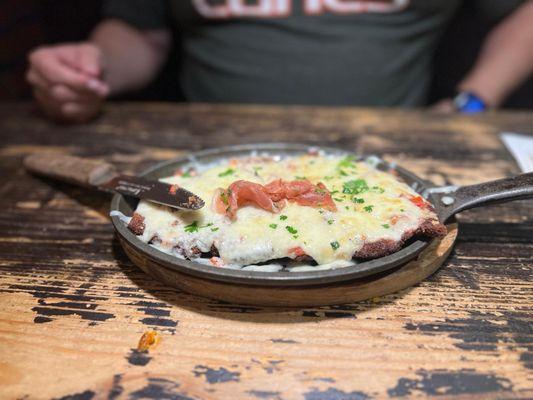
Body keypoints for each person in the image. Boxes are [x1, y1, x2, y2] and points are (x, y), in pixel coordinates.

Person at [26, 0, 533, 123]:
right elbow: (139, 31)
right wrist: (91, 66)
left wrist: (473, 100)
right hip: (204, 153)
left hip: (393, 150)